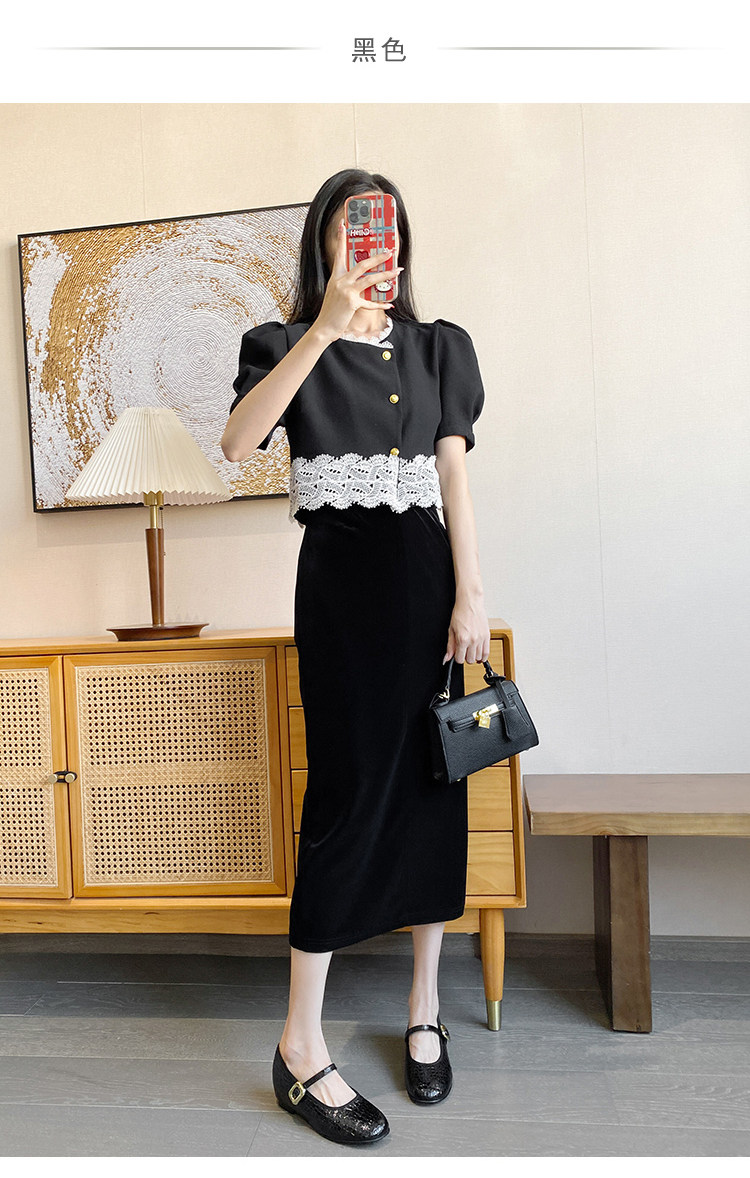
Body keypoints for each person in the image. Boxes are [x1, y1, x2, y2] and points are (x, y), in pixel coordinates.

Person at [221, 168, 489, 1147]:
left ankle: (424, 1009)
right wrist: (326, 328)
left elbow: (452, 478)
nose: (372, 246)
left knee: (435, 787)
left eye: (383, 230)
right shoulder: (279, 342)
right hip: (341, 588)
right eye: (351, 229)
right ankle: (300, 1045)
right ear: (324, 243)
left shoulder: (440, 347)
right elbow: (239, 441)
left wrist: (471, 592)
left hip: (429, 583)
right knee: (343, 795)